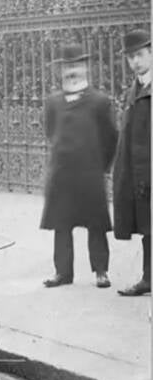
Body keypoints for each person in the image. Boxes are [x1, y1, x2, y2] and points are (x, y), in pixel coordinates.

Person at [39, 44, 117, 288]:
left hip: (90, 172)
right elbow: (51, 132)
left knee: (96, 224)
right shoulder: (53, 102)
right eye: (67, 67)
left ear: (85, 68)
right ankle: (63, 273)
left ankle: (101, 271)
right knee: (61, 224)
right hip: (62, 174)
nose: (72, 71)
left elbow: (111, 137)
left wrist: (100, 166)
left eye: (76, 66)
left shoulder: (99, 101)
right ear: (61, 71)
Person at [114, 29, 151, 296]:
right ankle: (148, 278)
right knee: (148, 226)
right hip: (140, 172)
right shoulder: (134, 90)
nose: (135, 62)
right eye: (131, 57)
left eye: (139, 55)